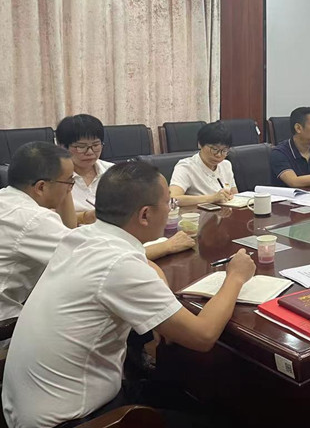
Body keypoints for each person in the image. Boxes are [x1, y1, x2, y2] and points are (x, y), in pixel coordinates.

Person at [2, 162, 256, 428]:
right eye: (168, 203)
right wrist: (235, 277)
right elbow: (202, 336)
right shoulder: (119, 264)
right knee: (225, 417)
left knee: (191, 395)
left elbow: (138, 265)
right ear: (145, 215)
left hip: (26, 406)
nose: (170, 208)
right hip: (76, 420)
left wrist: (160, 299)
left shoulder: (84, 236)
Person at [0, 142, 73, 323]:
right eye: (69, 182)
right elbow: (87, 258)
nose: (70, 189)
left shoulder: (6, 199)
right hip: (6, 322)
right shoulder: (34, 219)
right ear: (41, 187)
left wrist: (63, 187)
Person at [55, 114, 114, 225]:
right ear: (62, 147)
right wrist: (85, 217)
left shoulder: (113, 172)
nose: (90, 152)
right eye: (81, 146)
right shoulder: (54, 179)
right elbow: (48, 217)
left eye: (96, 145)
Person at [169, 121, 238, 206]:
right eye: (214, 149)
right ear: (200, 144)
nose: (219, 155)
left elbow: (235, 196)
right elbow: (172, 199)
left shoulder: (226, 165)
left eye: (224, 150)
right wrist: (211, 198)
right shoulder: (186, 167)